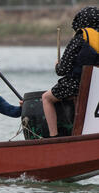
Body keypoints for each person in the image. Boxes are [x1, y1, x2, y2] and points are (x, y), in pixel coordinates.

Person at [42, 6, 99, 138]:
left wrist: (57, 65)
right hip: (95, 87)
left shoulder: (80, 38)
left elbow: (63, 70)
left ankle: (53, 136)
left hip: (77, 85)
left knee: (46, 98)